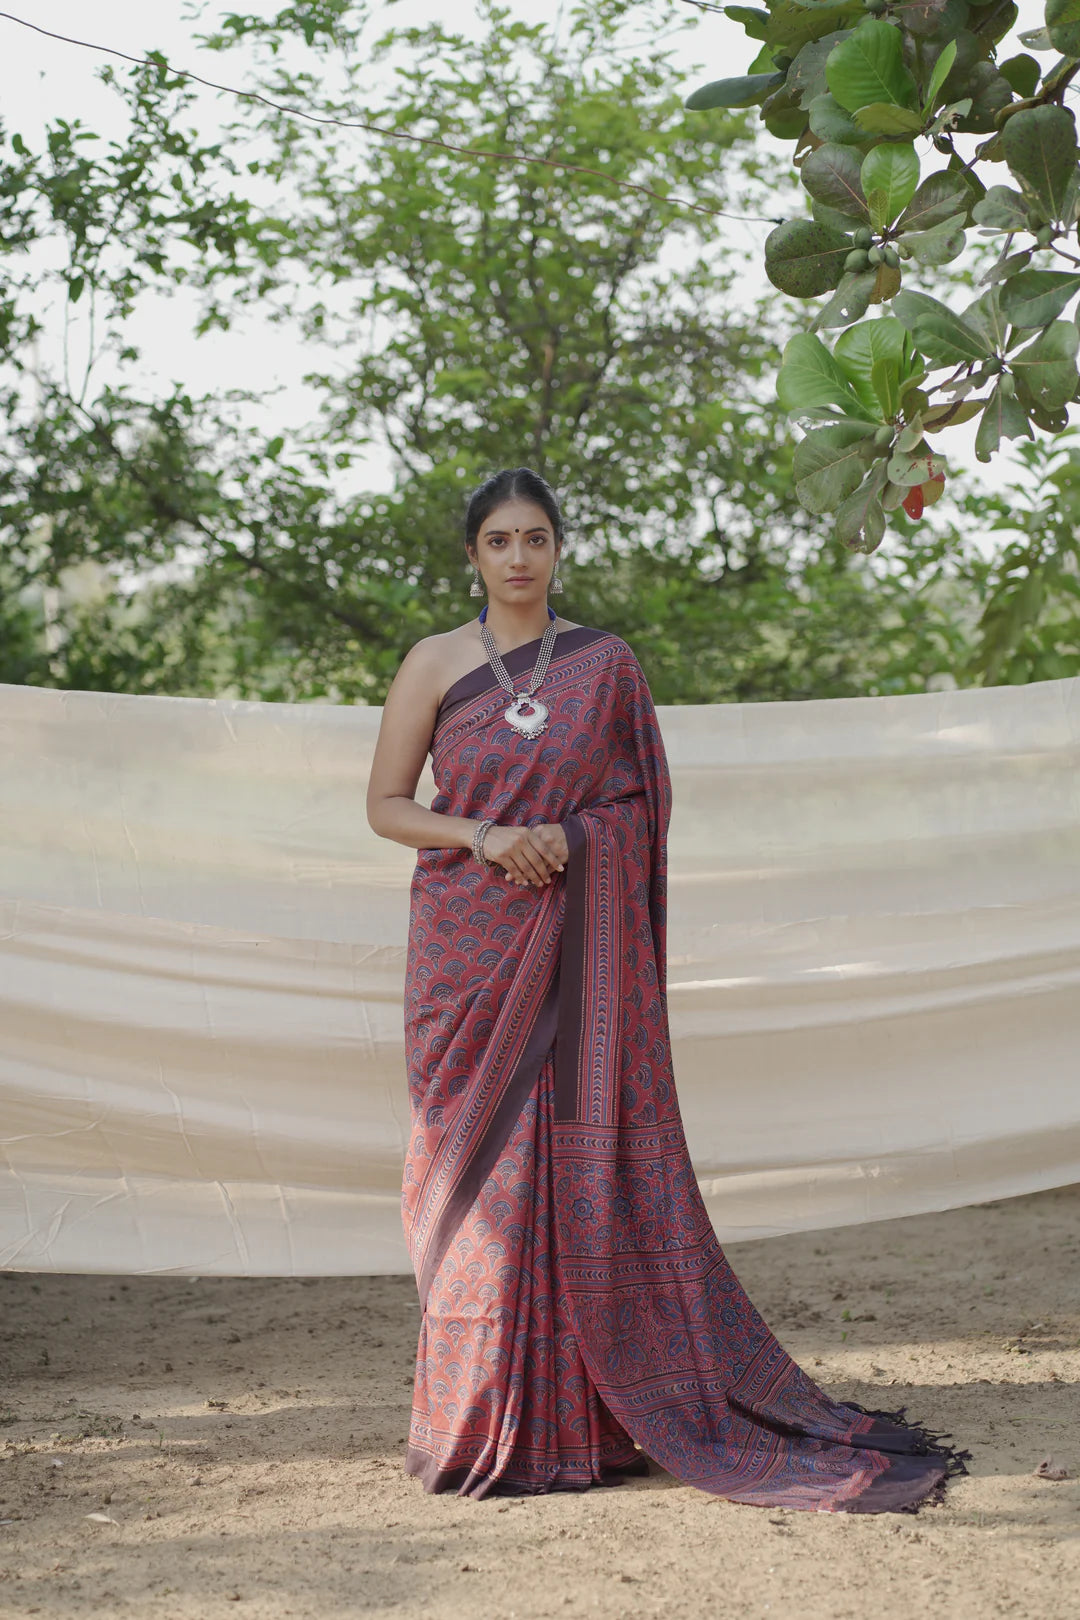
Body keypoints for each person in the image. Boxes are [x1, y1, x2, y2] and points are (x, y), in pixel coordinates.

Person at [365, 467, 970, 1510]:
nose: (519, 557)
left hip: (574, 936)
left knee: (563, 1177)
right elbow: (384, 805)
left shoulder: (604, 665)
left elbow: (637, 800)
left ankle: (583, 1426)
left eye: (536, 538)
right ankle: (477, 1426)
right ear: (472, 555)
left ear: (559, 550)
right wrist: (488, 835)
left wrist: (575, 839)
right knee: (465, 1191)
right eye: (499, 540)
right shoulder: (431, 664)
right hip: (469, 947)